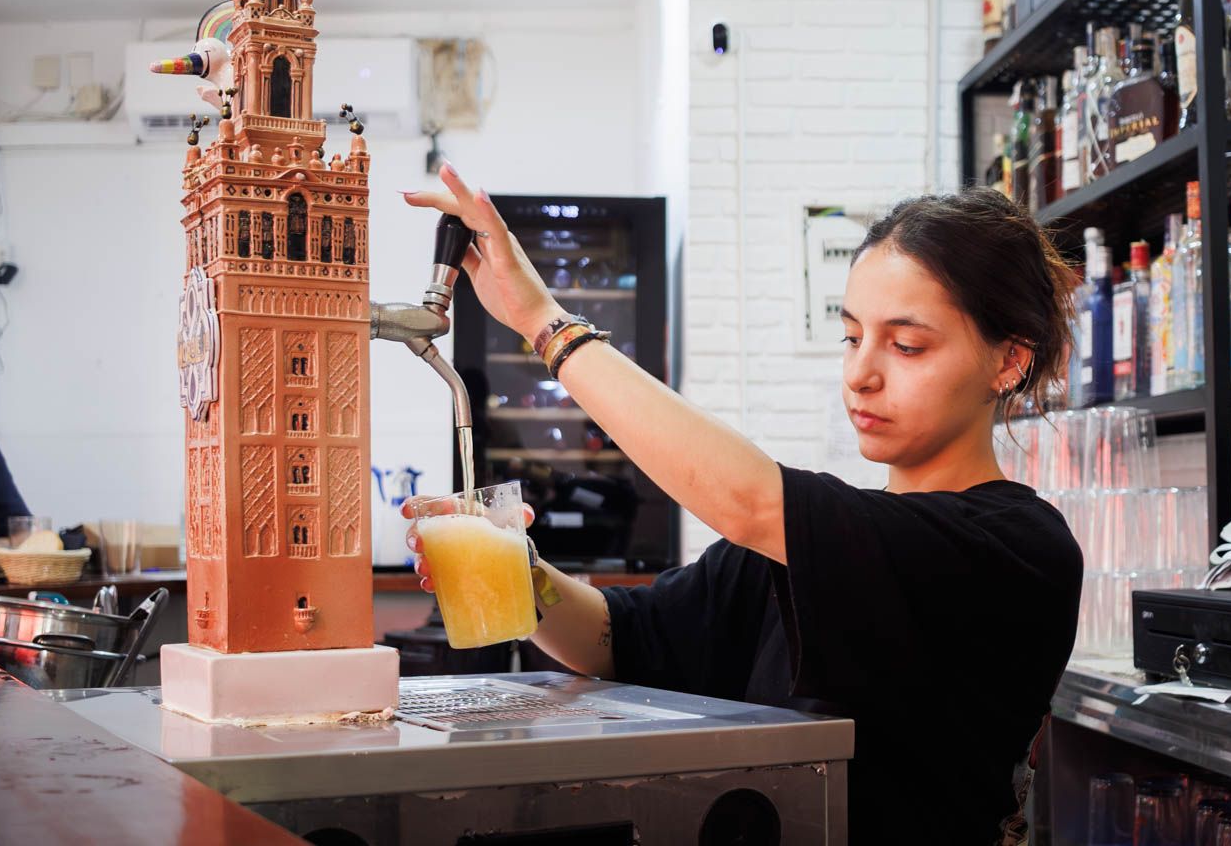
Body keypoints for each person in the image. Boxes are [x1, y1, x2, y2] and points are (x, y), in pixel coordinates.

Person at [401, 164, 1083, 843]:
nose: (860, 373)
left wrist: (540, 320)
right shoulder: (788, 554)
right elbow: (618, 638)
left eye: (907, 345)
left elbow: (750, 500)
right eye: (852, 336)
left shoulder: (1016, 548)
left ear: (1008, 363)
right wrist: (520, 573)